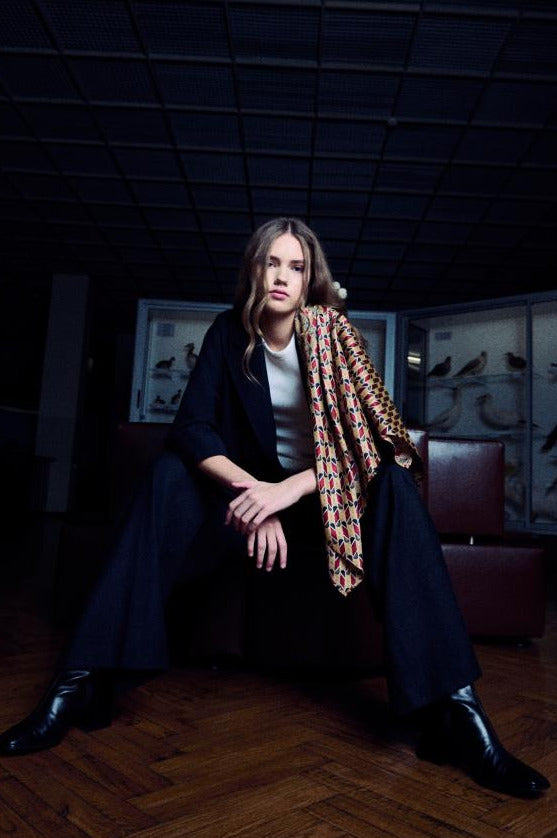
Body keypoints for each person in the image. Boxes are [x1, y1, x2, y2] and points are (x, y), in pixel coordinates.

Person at [0, 218, 549, 798]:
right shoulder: (228, 334)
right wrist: (255, 498)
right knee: (167, 476)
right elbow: (191, 430)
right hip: (246, 503)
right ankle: (80, 680)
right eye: (272, 263)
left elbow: (380, 439)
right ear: (255, 270)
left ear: (311, 277)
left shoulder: (336, 335)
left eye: (296, 266)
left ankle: (455, 710)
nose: (283, 276)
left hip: (323, 501)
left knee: (392, 483)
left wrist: (285, 494)